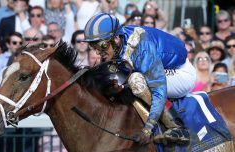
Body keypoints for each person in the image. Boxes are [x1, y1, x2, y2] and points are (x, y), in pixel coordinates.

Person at [83, 13, 196, 144]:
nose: (97, 52)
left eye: (102, 45)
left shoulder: (141, 48)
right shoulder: (117, 43)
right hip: (162, 66)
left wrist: (148, 129)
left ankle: (178, 128)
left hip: (180, 73)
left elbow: (159, 90)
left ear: (116, 39)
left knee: (136, 81)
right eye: (93, 46)